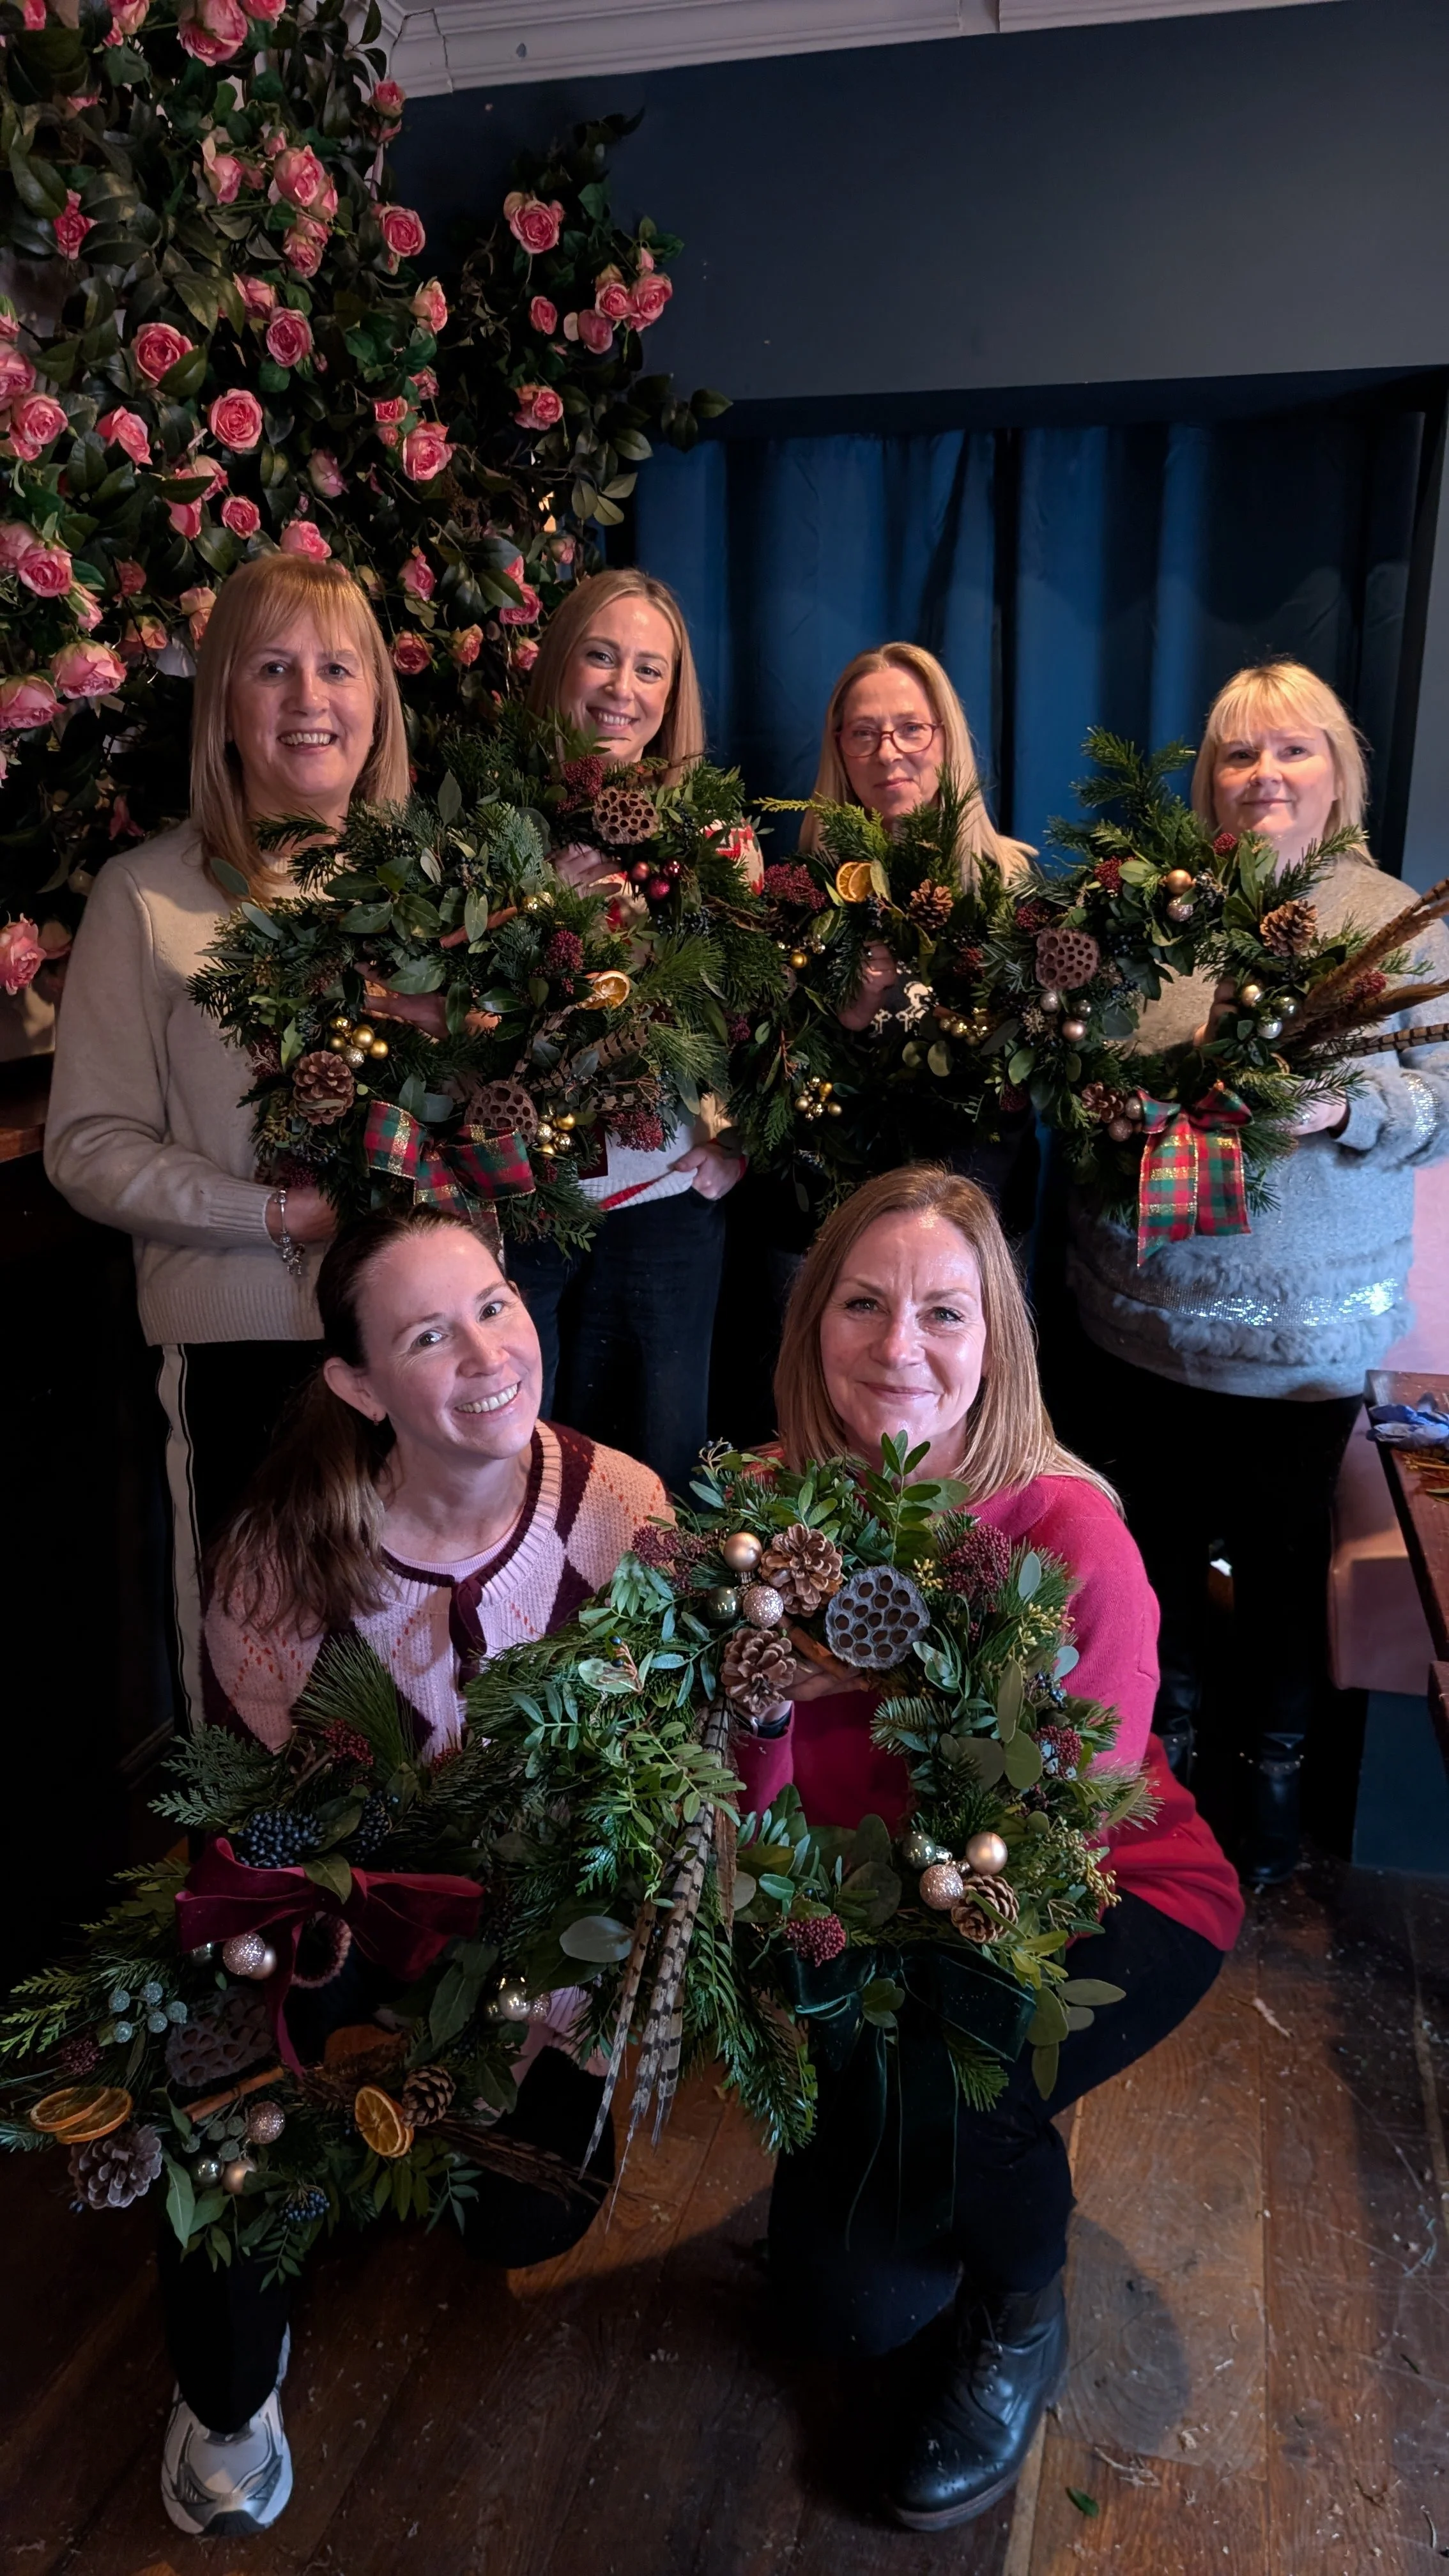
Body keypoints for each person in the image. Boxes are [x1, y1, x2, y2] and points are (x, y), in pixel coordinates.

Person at [730, 1164, 1242, 2531]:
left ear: (996, 1341)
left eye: (946, 1313)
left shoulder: (1069, 1530)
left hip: (1099, 1894)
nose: (901, 1347)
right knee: (839, 2308)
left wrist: (864, 1683)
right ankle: (944, 2171)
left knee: (965, 2064)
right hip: (876, 1915)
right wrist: (771, 1705)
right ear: (811, 1324)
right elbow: (756, 1812)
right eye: (864, 1303)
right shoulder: (766, 1517)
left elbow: (1066, 1826)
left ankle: (1023, 2313)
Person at [162, 1204, 668, 2536]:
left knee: (523, 2218)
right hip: (334, 1902)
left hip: (532, 1927)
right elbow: (277, 1828)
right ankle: (225, 2388)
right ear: (357, 1383)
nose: (488, 1353)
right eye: (428, 1335)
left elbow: (638, 1779)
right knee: (224, 2068)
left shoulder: (618, 1509)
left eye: (496, 1305)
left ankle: (465, 2095)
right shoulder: (284, 1560)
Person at [1064, 661, 1449, 1885]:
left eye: (1290, 751)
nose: (1262, 777)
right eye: (1238, 756)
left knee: (1279, 1570)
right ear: (1208, 781)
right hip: (1140, 1320)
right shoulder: (1163, 912)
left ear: (1337, 772)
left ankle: (1267, 1794)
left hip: (1298, 1339)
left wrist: (1345, 1104)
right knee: (1157, 1556)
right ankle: (1156, 1775)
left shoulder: (1392, 919)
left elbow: (1440, 1103)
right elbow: (1091, 1063)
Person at [44, 555, 410, 1730]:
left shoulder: (439, 896)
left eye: (336, 666)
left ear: (375, 703)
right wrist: (272, 1216)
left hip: (420, 1350)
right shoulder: (147, 897)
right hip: (246, 1350)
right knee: (259, 1690)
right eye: (272, 667)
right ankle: (253, 1918)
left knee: (423, 1672)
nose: (309, 695)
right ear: (226, 709)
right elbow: (89, 1145)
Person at [500, 568, 753, 1496]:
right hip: (522, 1194)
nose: (622, 689)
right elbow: (451, 1019)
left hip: (666, 1202)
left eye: (651, 670)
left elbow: (759, 1014)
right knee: (518, 1462)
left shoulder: (715, 838)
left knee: (657, 1469)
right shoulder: (493, 822)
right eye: (602, 657)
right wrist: (534, 912)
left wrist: (740, 1142)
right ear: (561, 664)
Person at [804, 642, 1038, 1225]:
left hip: (978, 1221)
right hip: (833, 1218)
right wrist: (848, 1017)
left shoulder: (1011, 884)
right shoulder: (803, 895)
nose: (889, 754)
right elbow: (776, 1085)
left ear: (946, 738)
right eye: (864, 733)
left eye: (911, 729)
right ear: (841, 750)